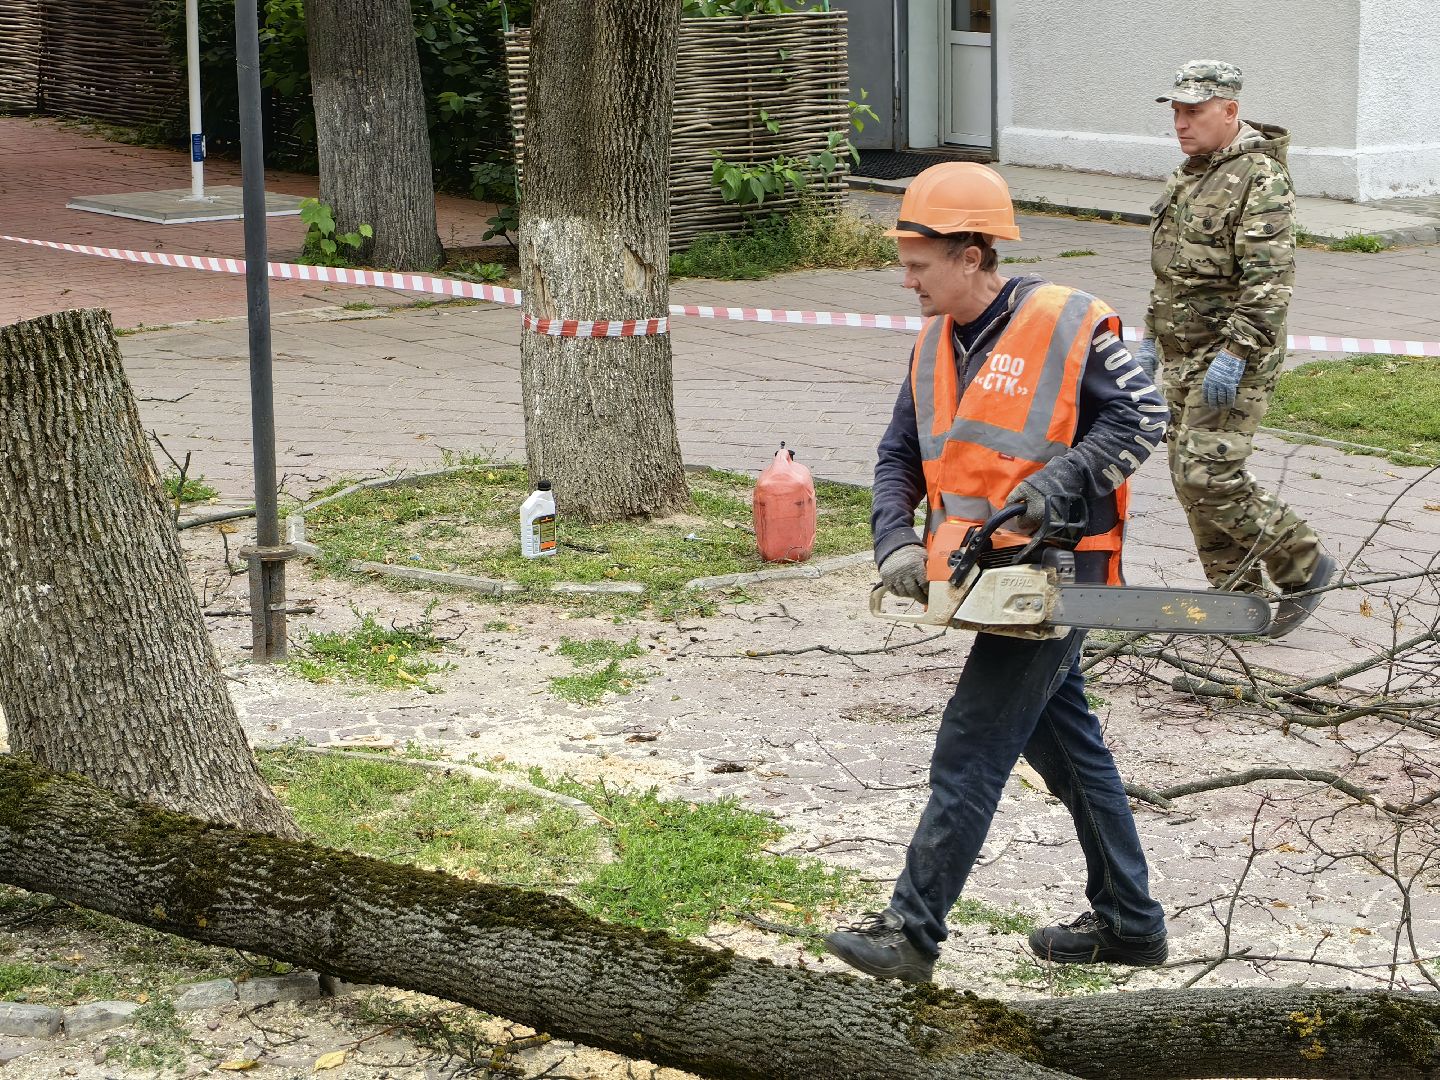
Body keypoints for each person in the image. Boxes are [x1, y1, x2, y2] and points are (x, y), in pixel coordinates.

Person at [823, 163, 1171, 983]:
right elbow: (898, 456)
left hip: (1058, 571)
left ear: (973, 254)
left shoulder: (1067, 322)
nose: (907, 279)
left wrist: (1055, 485)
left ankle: (912, 931)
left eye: (921, 263)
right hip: (984, 575)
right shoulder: (934, 341)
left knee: (973, 741)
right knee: (1064, 743)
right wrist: (894, 543)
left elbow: (1143, 415)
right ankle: (1130, 923)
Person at [1139, 60, 1335, 638]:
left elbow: (1269, 281)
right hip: (1182, 351)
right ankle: (1236, 599)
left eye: (1194, 111)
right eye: (1175, 110)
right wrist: (1150, 338)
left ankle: (1302, 560)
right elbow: (1173, 273)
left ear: (1230, 111)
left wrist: (1237, 352)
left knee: (1209, 477)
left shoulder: (1259, 177)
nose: (1181, 122)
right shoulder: (1192, 174)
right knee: (1186, 476)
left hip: (1232, 356)